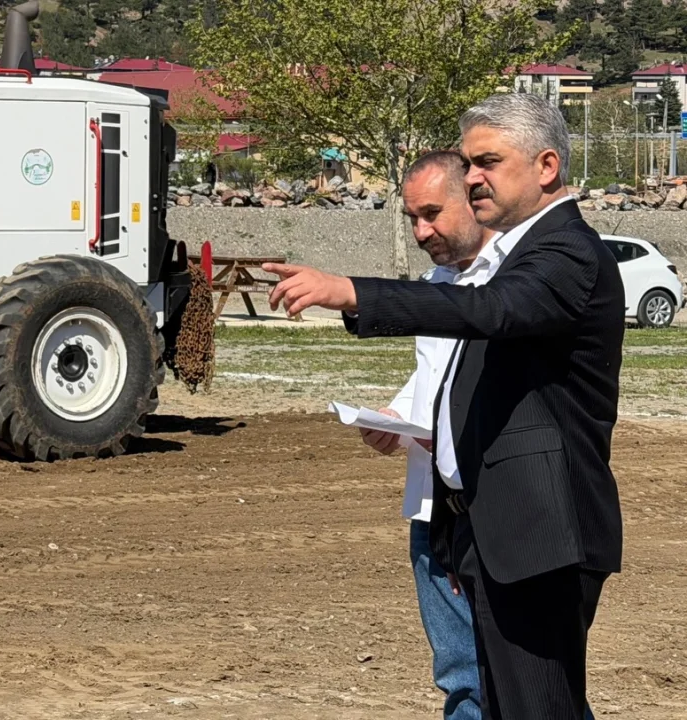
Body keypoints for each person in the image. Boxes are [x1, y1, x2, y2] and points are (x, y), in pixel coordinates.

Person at [263, 91, 624, 720]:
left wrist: (352, 293)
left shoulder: (565, 252)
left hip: (540, 534)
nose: (473, 176)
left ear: (545, 167)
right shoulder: (521, 254)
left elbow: (489, 311)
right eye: (468, 161)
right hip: (489, 530)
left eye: (487, 160)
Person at [360, 150, 491, 720]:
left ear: (475, 199)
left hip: (491, 514)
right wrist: (399, 413)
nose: (421, 231)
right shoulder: (438, 280)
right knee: (461, 675)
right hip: (432, 506)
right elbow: (438, 373)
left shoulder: (508, 286)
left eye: (432, 213)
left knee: (524, 681)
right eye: (413, 217)